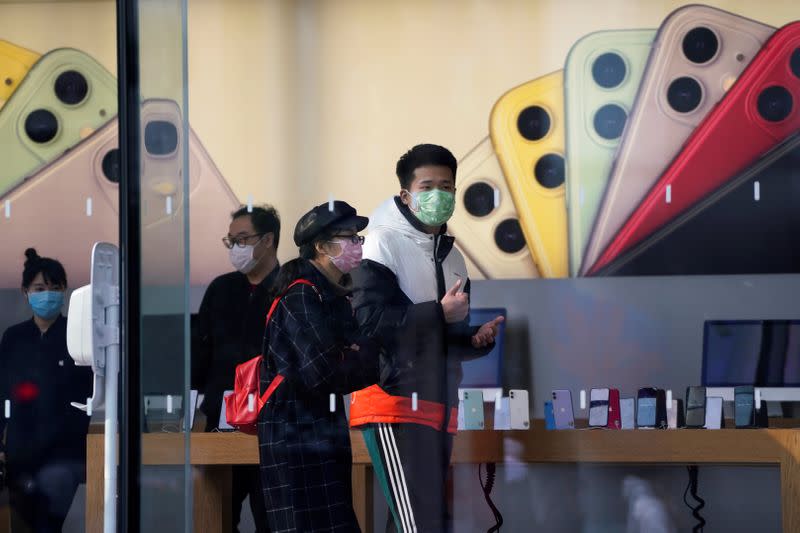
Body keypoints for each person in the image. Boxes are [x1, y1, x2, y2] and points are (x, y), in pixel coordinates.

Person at [349, 144, 504, 533]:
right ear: (405, 195)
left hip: (438, 404)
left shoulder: (454, 257)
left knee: (423, 520)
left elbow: (439, 337)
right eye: (427, 185)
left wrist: (473, 341)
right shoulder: (381, 243)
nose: (439, 194)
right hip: (393, 403)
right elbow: (369, 325)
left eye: (447, 186)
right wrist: (438, 313)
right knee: (420, 522)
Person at [258, 200, 379, 532]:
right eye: (350, 237)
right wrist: (358, 355)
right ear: (322, 247)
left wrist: (354, 353)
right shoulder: (301, 296)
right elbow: (324, 371)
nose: (357, 245)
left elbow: (354, 352)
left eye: (358, 237)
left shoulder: (333, 294)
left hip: (319, 428)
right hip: (294, 432)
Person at [192, 204, 281, 533]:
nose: (236, 248)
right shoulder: (221, 289)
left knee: (270, 518)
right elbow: (200, 354)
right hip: (218, 420)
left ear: (268, 240)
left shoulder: (288, 288)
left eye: (242, 239)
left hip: (269, 425)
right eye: (231, 241)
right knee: (215, 516)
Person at [0, 248, 93, 532]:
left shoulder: (77, 334)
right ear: (26, 292)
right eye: (40, 288)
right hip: (21, 453)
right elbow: (2, 392)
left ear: (64, 291)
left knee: (49, 521)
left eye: (55, 288)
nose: (48, 294)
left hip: (65, 454)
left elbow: (91, 393)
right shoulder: (14, 338)